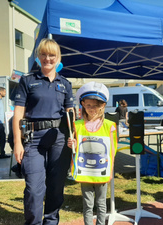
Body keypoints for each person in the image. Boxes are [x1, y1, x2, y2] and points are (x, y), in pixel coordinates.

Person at [13, 38, 74, 225]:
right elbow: (18, 115)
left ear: (58, 58)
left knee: (56, 187)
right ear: (38, 57)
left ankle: (51, 222)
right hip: (33, 139)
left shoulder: (65, 84)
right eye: (44, 54)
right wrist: (17, 142)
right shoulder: (27, 81)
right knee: (34, 189)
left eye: (52, 55)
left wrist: (74, 137)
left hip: (59, 138)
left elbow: (70, 114)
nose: (48, 58)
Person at [67, 81, 117, 225]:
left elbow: (112, 150)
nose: (92, 108)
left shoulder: (109, 126)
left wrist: (110, 168)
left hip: (100, 171)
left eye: (95, 105)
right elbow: (75, 147)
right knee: (87, 204)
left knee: (101, 203)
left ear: (102, 106)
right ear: (82, 104)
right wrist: (72, 145)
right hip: (86, 172)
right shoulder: (77, 125)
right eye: (88, 105)